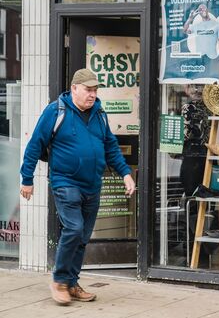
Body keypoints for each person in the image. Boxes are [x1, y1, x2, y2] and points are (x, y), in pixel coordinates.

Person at [19, 68, 135, 306]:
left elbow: (111, 147)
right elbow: (35, 145)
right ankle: (60, 281)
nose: (92, 95)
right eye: (88, 90)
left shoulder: (99, 114)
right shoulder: (56, 111)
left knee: (82, 237)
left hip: (92, 184)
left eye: (95, 90)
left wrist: (125, 173)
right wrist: (27, 179)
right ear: (74, 88)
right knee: (73, 228)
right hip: (65, 181)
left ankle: (72, 283)